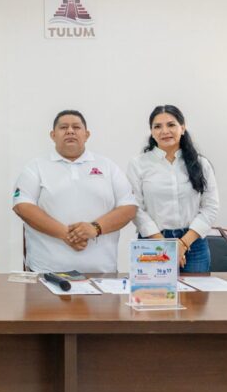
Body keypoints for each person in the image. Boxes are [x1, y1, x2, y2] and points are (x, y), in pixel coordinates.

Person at [13, 109, 137, 273]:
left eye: (76, 127)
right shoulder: (35, 167)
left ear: (87, 134)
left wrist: (95, 228)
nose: (70, 131)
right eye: (63, 127)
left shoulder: (108, 166)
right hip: (46, 272)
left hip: (103, 273)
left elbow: (129, 207)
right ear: (53, 135)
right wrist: (65, 234)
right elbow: (22, 206)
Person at [126, 105, 219, 273]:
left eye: (171, 125)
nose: (164, 131)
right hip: (153, 242)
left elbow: (210, 207)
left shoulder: (201, 163)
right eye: (157, 126)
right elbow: (135, 208)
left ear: (182, 128)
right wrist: (165, 245)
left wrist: (183, 243)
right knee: (153, 291)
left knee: (194, 291)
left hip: (193, 245)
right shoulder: (138, 164)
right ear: (152, 132)